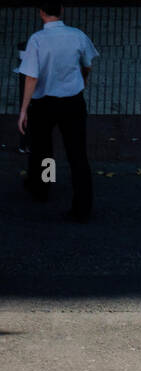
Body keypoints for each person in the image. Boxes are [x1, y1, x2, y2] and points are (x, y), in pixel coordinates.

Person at [17, 4, 97, 222]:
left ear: (41, 12)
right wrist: (83, 80)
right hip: (73, 102)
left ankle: (43, 187)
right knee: (77, 154)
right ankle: (83, 206)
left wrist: (24, 110)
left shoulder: (37, 40)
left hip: (44, 103)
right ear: (61, 10)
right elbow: (87, 64)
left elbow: (31, 77)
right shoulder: (77, 36)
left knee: (43, 149)